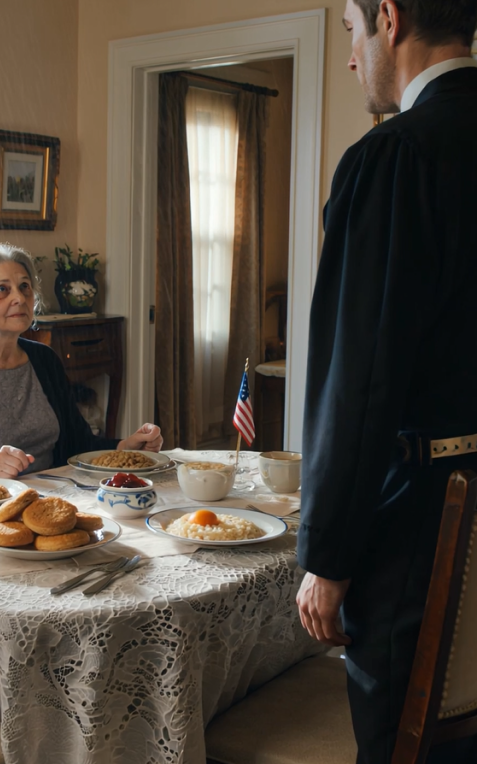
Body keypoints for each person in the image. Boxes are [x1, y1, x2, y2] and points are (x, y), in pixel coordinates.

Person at [295, 1, 477, 762]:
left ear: (390, 20)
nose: (349, 57)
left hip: (422, 528)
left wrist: (327, 555)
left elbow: (360, 378)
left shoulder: (395, 156)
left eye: (349, 32)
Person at [0, 243, 162, 486]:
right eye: (2, 289)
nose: (19, 297)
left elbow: (78, 443)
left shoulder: (45, 361)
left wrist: (123, 447)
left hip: (58, 498)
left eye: (24, 287)